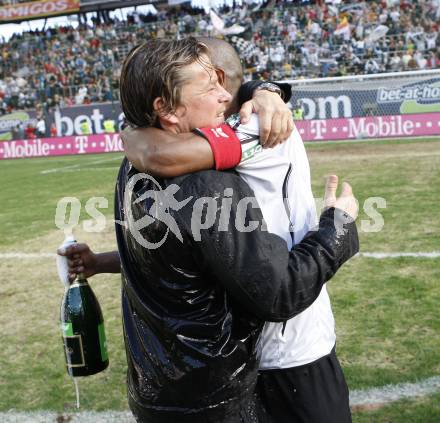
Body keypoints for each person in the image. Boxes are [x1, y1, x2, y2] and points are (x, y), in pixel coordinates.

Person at [60, 38, 357, 422]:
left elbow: (187, 236)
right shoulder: (206, 180)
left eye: (221, 82)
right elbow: (259, 282)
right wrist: (338, 227)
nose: (220, 95)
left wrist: (265, 92)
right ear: (165, 107)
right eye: (207, 84)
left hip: (188, 381)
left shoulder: (138, 165)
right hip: (226, 383)